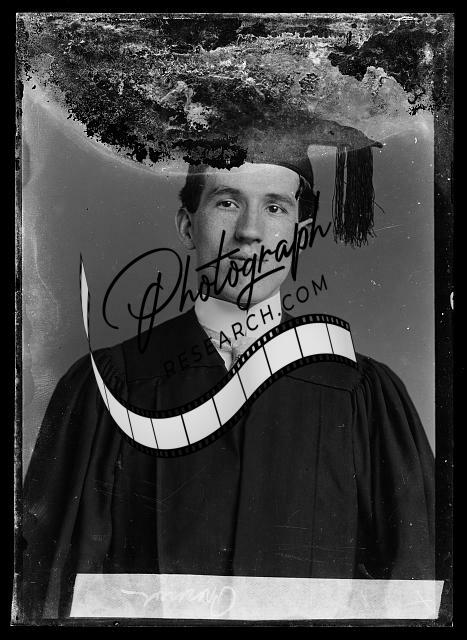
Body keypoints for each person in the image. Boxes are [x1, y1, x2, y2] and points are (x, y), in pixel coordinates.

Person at [22, 154, 435, 621]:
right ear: (186, 226)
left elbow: (411, 588)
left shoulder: (361, 392)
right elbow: (53, 592)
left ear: (300, 236)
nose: (250, 231)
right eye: (227, 203)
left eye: (275, 207)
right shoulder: (108, 387)